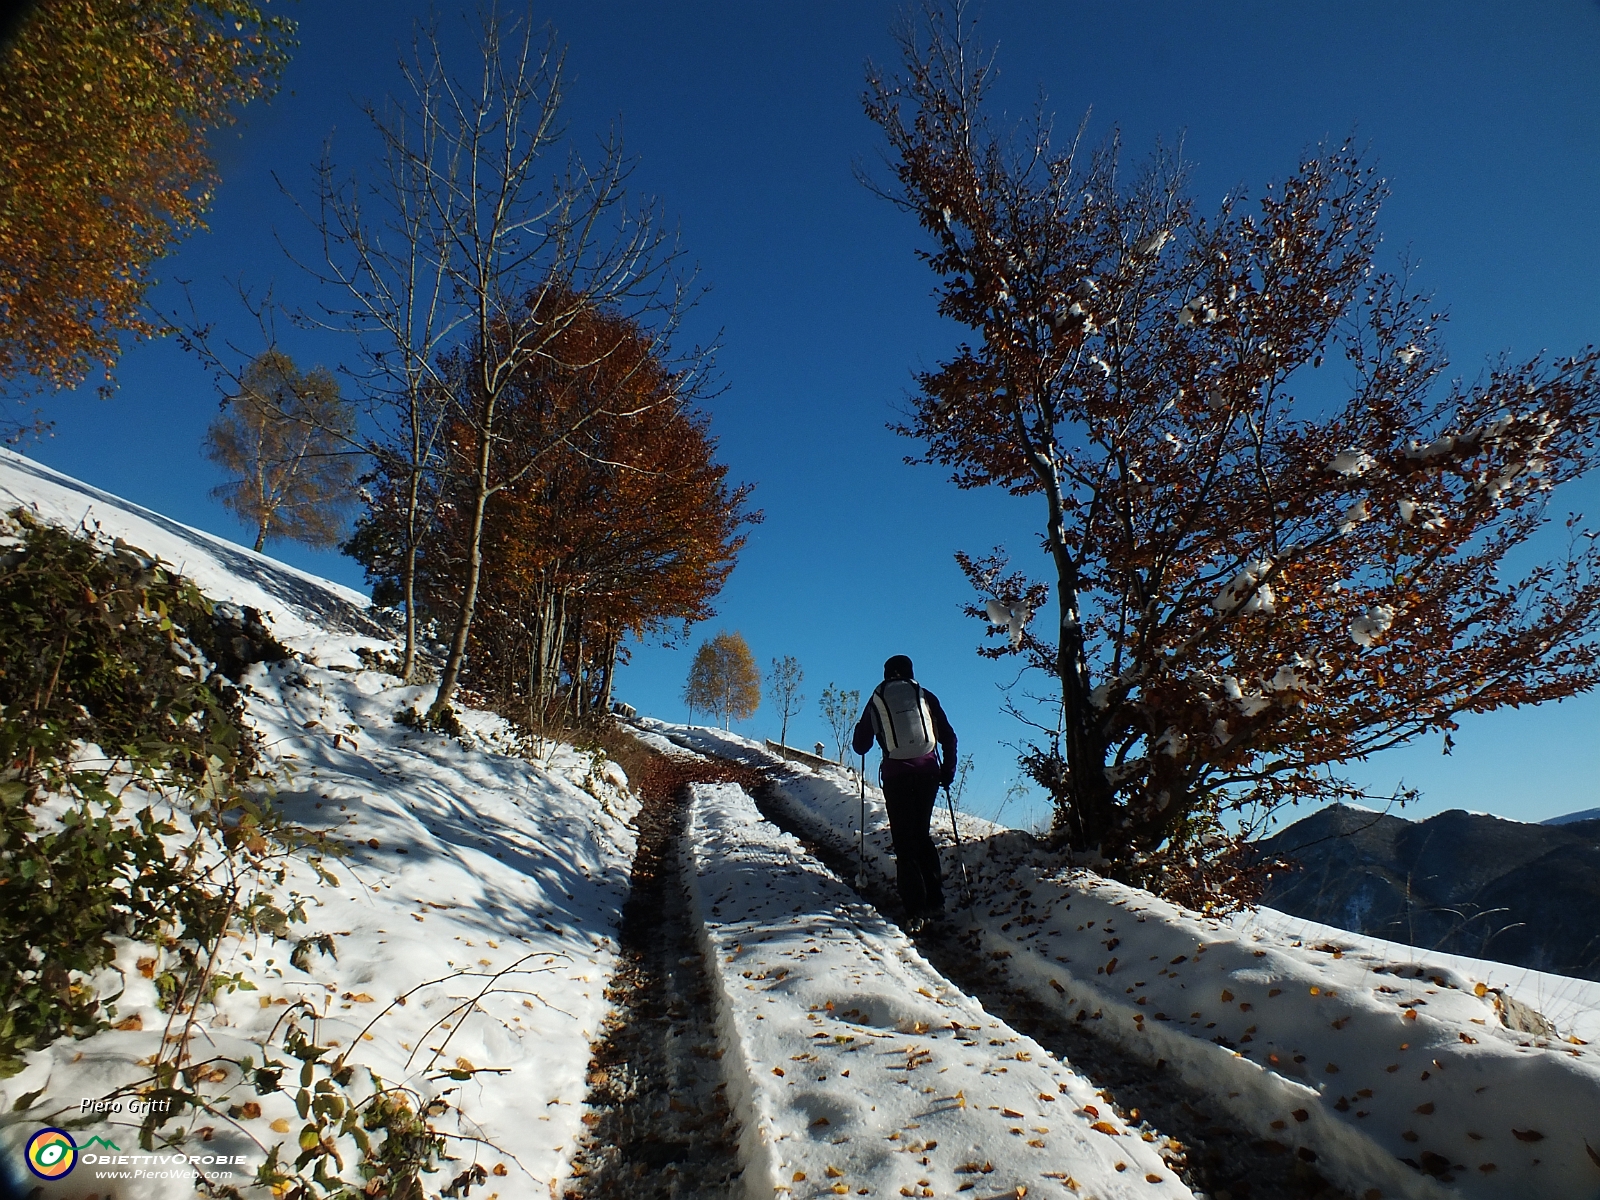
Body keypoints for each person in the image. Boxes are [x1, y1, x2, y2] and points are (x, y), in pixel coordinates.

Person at [852, 654, 957, 930]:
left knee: (904, 841)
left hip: (896, 777)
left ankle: (915, 912)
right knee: (921, 835)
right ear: (910, 672)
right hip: (928, 775)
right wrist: (947, 770)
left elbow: (861, 746)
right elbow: (949, 736)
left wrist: (860, 731)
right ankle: (936, 901)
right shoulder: (925, 696)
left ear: (887, 673)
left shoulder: (877, 698)